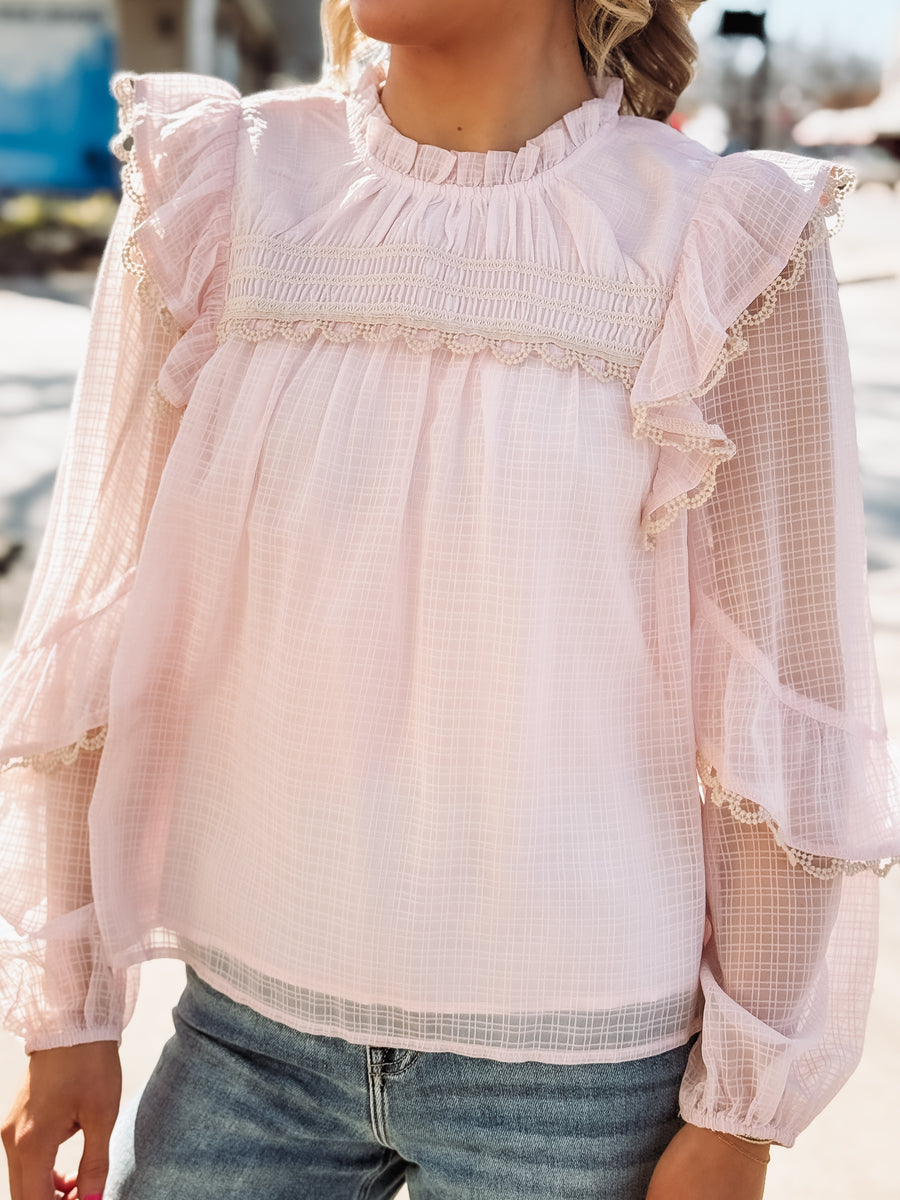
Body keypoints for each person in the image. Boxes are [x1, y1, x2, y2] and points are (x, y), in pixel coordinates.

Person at [2, 1, 899, 1197]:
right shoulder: (217, 187)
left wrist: (744, 1109)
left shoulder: (718, 242)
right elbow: (92, 613)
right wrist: (67, 1014)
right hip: (245, 1045)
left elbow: (786, 694)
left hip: (583, 1081)